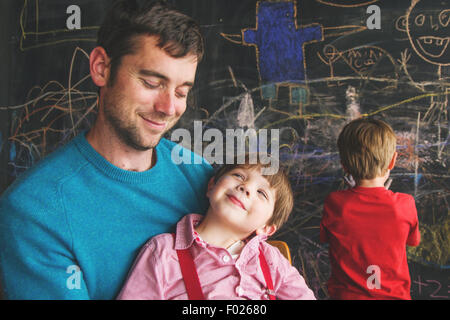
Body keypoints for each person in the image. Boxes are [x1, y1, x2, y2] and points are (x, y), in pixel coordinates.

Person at [0, 0, 212, 299]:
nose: (168, 108)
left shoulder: (206, 180)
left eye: (181, 92)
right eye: (152, 83)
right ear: (101, 68)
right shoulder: (35, 210)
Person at [117, 156, 316, 300]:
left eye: (262, 193)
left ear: (266, 228)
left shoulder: (270, 260)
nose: (245, 188)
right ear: (212, 186)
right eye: (239, 175)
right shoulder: (163, 252)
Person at [320, 118, 421, 300]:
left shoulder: (335, 203)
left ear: (344, 164)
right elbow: (413, 241)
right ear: (392, 161)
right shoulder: (405, 204)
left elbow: (325, 238)